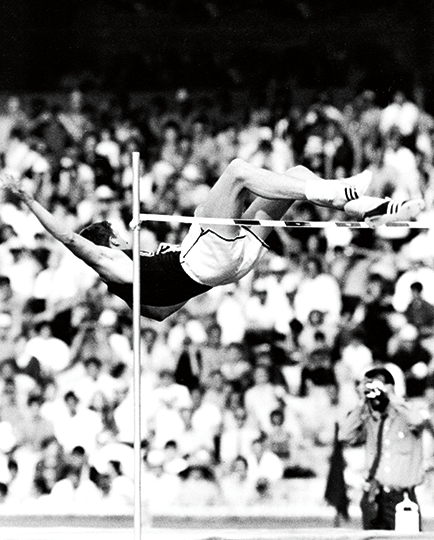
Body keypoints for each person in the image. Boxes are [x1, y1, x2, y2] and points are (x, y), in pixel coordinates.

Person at [0, 161, 423, 322]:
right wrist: (29, 199)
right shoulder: (113, 265)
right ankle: (336, 196)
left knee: (296, 175)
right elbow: (71, 238)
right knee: (237, 172)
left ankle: (365, 205)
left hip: (228, 266)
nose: (128, 234)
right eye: (116, 232)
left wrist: (164, 285)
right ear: (108, 243)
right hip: (207, 262)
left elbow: (162, 314)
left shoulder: (142, 276)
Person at [339, 366, 427, 530]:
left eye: (378, 386)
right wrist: (361, 402)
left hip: (403, 499)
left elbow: (417, 421)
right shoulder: (371, 419)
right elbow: (344, 435)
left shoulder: (406, 414)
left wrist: (392, 396)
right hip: (374, 496)